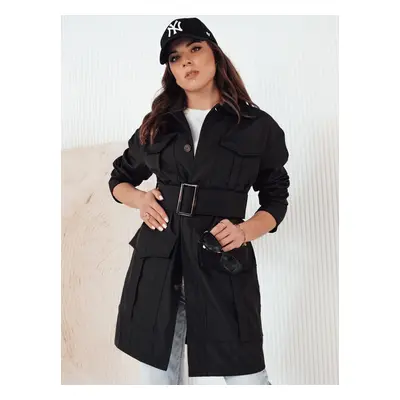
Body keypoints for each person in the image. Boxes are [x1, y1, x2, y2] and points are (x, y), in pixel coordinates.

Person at [108, 17, 290, 385]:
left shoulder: (256, 125)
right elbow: (118, 179)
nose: (186, 62)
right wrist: (139, 199)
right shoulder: (157, 124)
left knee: (248, 380)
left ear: (215, 55)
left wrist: (245, 231)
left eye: (195, 49)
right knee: (157, 381)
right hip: (159, 263)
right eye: (175, 58)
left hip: (221, 263)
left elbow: (276, 196)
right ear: (171, 71)